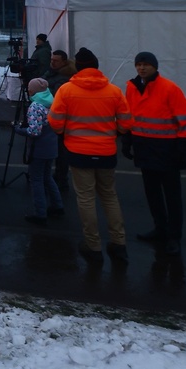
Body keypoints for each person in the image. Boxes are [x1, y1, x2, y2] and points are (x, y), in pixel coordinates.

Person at [48, 47, 132, 265]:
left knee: (86, 199)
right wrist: (112, 133)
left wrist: (65, 133)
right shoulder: (113, 91)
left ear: (78, 68)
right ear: (97, 67)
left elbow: (55, 121)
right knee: (109, 196)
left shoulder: (66, 90)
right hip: (106, 152)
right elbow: (125, 123)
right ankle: (119, 243)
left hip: (78, 152)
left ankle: (93, 245)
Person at [122, 51, 186, 255]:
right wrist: (127, 140)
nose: (141, 68)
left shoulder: (169, 88)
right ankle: (160, 229)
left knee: (172, 197)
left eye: (145, 64)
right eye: (138, 64)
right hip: (144, 148)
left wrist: (181, 147)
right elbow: (129, 114)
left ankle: (174, 236)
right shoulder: (132, 87)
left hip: (167, 149)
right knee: (152, 193)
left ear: (155, 66)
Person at [17, 77, 63, 225]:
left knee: (36, 180)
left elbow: (34, 132)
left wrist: (19, 130)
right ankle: (57, 205)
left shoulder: (35, 106)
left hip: (39, 150)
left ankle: (40, 213)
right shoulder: (52, 102)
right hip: (52, 147)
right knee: (47, 177)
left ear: (33, 91)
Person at [43, 48, 77, 190]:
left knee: (61, 151)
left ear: (64, 62)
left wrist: (41, 91)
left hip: (61, 119)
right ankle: (58, 177)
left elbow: (55, 97)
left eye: (56, 61)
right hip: (54, 116)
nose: (52, 62)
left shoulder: (64, 78)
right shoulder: (53, 73)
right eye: (52, 60)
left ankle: (61, 178)